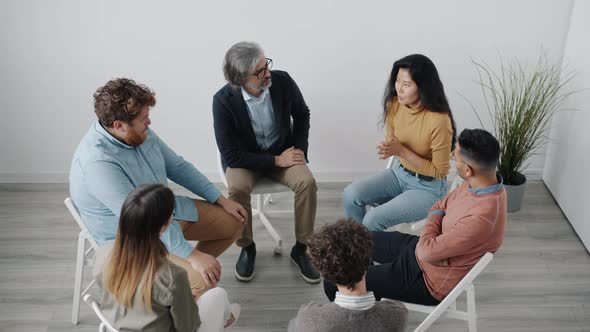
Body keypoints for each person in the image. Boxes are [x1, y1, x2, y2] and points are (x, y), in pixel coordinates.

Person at [70, 78, 247, 298]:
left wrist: (221, 200)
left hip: (166, 216)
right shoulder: (97, 163)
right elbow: (143, 220)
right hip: (135, 239)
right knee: (201, 282)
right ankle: (182, 298)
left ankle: (181, 285)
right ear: (119, 125)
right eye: (144, 118)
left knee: (234, 222)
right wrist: (191, 255)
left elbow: (178, 167)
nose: (149, 122)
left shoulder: (137, 133)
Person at [325, 129, 507, 305]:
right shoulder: (481, 183)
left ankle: (357, 317)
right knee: (352, 243)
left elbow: (426, 251)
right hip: (421, 252)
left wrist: (430, 239)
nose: (451, 157)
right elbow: (438, 206)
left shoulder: (481, 217)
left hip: (427, 279)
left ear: (468, 170)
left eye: (455, 156)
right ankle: (367, 298)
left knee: (333, 281)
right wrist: (431, 236)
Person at [213, 41, 319, 283]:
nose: (267, 73)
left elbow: (302, 114)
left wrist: (299, 150)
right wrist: (275, 161)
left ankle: (301, 248)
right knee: (237, 188)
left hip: (283, 151)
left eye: (266, 65)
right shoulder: (222, 101)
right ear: (241, 79)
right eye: (260, 72)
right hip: (245, 160)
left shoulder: (283, 81)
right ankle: (247, 246)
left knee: (307, 182)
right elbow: (231, 156)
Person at [93, 183, 240, 332]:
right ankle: (226, 317)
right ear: (165, 226)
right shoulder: (172, 276)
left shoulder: (102, 254)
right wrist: (187, 302)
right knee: (219, 295)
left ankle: (225, 316)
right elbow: (188, 328)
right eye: (173, 213)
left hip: (119, 326)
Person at [343, 54, 457, 231]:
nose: (399, 89)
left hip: (427, 189)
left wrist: (401, 151)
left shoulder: (438, 121)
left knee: (373, 219)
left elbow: (439, 171)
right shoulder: (394, 104)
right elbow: (392, 134)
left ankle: (368, 256)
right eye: (397, 81)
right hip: (398, 174)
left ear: (423, 87)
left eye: (407, 84)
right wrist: (390, 145)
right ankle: (359, 250)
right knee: (350, 195)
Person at [291, 219, 407, 332]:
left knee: (293, 324)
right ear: (368, 262)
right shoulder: (397, 314)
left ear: (324, 272)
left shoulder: (309, 317)